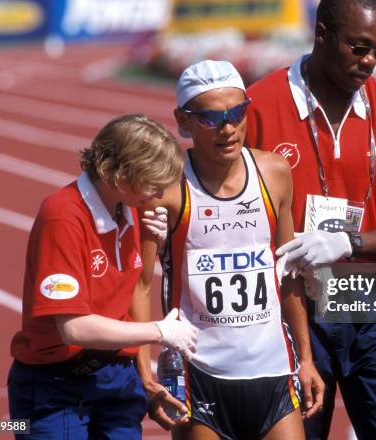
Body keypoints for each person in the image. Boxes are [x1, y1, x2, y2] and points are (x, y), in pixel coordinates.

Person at [245, 0, 376, 438]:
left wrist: (349, 243)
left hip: (370, 301)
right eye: (358, 47)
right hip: (288, 305)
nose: (369, 60)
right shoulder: (258, 106)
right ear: (321, 35)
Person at [137, 60, 325, 440]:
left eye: (236, 113)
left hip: (273, 371)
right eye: (210, 118)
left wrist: (306, 357)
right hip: (201, 376)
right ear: (184, 121)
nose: (227, 128)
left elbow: (288, 274)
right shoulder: (168, 188)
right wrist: (146, 373)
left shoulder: (273, 173)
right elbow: (139, 286)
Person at [8, 114, 199, 439]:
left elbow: (138, 286)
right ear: (119, 175)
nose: (159, 194)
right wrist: (160, 331)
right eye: (151, 182)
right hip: (55, 386)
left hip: (116, 379)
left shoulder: (133, 209)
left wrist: (144, 375)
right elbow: (73, 327)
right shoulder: (63, 216)